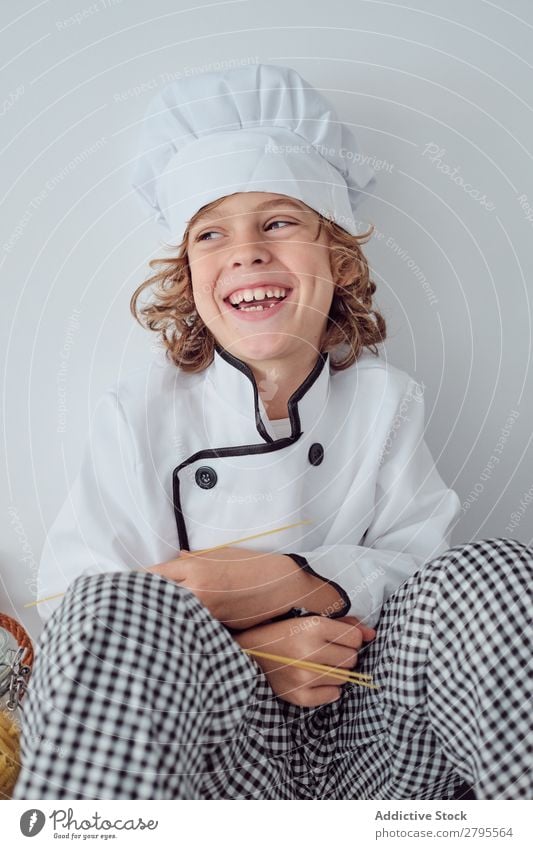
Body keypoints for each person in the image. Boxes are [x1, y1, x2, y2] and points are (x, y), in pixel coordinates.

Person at [13, 65, 531, 801]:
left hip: (375, 740)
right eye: (211, 233)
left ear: (337, 259)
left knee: (492, 575)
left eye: (279, 221)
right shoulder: (139, 412)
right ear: (190, 276)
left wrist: (300, 580)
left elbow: (421, 577)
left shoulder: (387, 401)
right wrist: (252, 649)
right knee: (116, 603)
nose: (246, 250)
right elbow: (76, 611)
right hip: (213, 751)